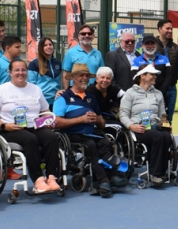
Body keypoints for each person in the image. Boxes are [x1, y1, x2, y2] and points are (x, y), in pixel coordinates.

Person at [0, 59, 63, 194]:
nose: (21, 73)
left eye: (23, 70)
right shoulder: (0, 91)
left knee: (51, 137)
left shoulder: (35, 89)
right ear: (10, 73)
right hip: (9, 129)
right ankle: (38, 180)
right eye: (17, 70)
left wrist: (49, 118)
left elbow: (44, 110)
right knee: (30, 139)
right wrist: (4, 125)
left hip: (34, 126)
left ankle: (51, 177)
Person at [54, 63, 127, 198]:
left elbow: (102, 123)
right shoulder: (63, 97)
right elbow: (56, 122)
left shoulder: (90, 97)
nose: (85, 78)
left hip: (91, 133)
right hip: (72, 135)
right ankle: (104, 180)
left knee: (105, 143)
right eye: (81, 75)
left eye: (87, 76)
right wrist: (80, 120)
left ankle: (110, 176)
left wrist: (97, 120)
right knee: (91, 145)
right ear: (73, 78)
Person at [120, 64, 174, 185]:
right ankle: (155, 174)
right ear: (142, 76)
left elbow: (162, 115)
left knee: (166, 135)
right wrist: (132, 126)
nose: (155, 76)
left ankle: (161, 171)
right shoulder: (130, 93)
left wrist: (165, 124)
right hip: (139, 128)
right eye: (152, 74)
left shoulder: (158, 93)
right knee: (159, 137)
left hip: (155, 126)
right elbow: (123, 114)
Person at [157, 18, 178, 126]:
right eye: (167, 28)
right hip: (156, 89)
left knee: (169, 119)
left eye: (171, 29)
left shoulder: (176, 47)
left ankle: (168, 142)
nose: (170, 31)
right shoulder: (152, 45)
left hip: (171, 89)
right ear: (160, 29)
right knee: (156, 118)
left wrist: (171, 81)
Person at [61, 24, 103, 89]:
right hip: (76, 89)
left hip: (94, 91)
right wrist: (67, 92)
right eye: (83, 34)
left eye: (89, 34)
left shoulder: (98, 53)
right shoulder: (70, 52)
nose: (86, 36)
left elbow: (101, 73)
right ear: (79, 36)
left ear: (93, 36)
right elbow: (66, 73)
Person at [28, 37, 61, 108]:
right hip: (42, 101)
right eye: (45, 45)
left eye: (50, 44)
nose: (48, 47)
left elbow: (60, 81)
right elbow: (31, 85)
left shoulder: (57, 62)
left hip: (57, 100)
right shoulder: (34, 64)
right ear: (41, 48)